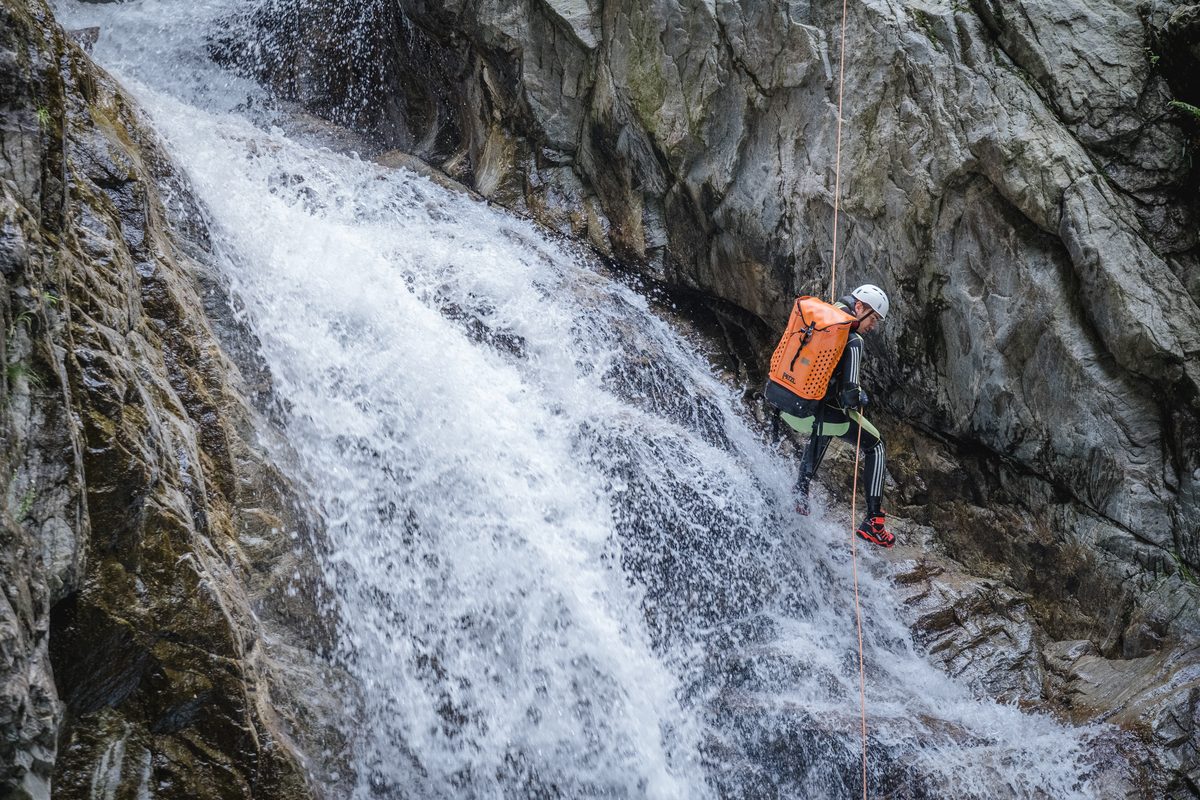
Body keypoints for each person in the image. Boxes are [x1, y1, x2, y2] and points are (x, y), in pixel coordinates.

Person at [766, 284, 893, 547]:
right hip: (810, 414)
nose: (873, 326)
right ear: (859, 307)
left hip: (785, 405)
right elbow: (850, 396)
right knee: (876, 444)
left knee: (827, 421)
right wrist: (860, 397)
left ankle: (801, 490)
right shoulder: (853, 339)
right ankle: (873, 521)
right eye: (873, 318)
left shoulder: (815, 317)